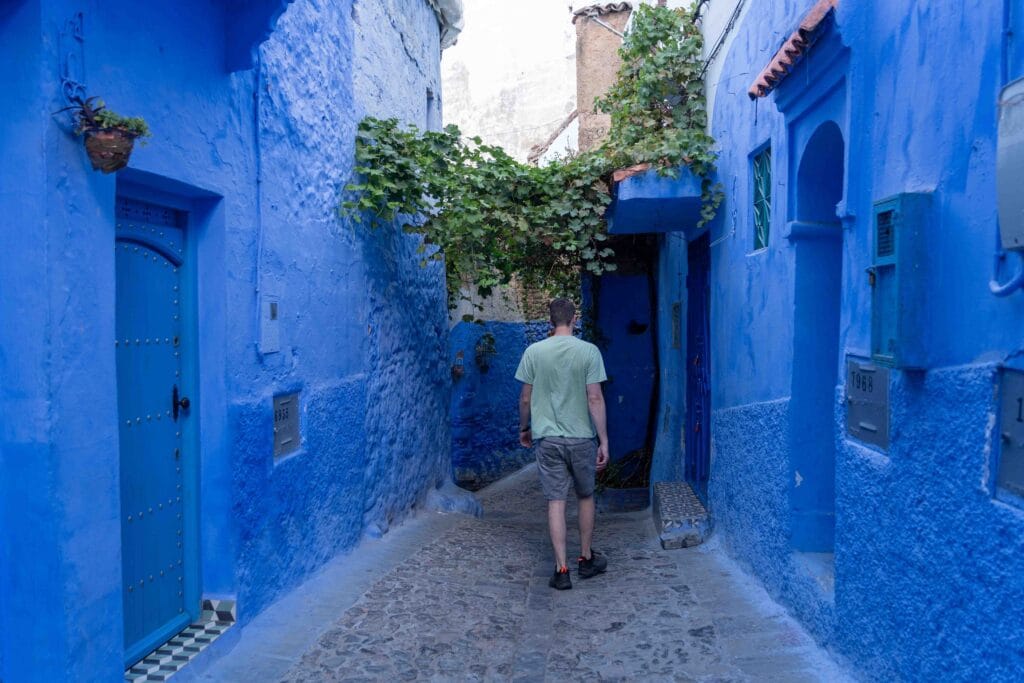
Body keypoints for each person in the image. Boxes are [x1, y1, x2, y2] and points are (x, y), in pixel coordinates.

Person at [515, 298, 610, 590]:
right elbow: (594, 397)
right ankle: (585, 558)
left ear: (549, 321)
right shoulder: (588, 352)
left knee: (556, 501)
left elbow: (526, 398)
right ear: (574, 319)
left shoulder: (534, 352)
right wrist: (603, 440)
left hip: (548, 440)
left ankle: (561, 569)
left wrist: (524, 427)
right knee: (584, 496)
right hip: (582, 438)